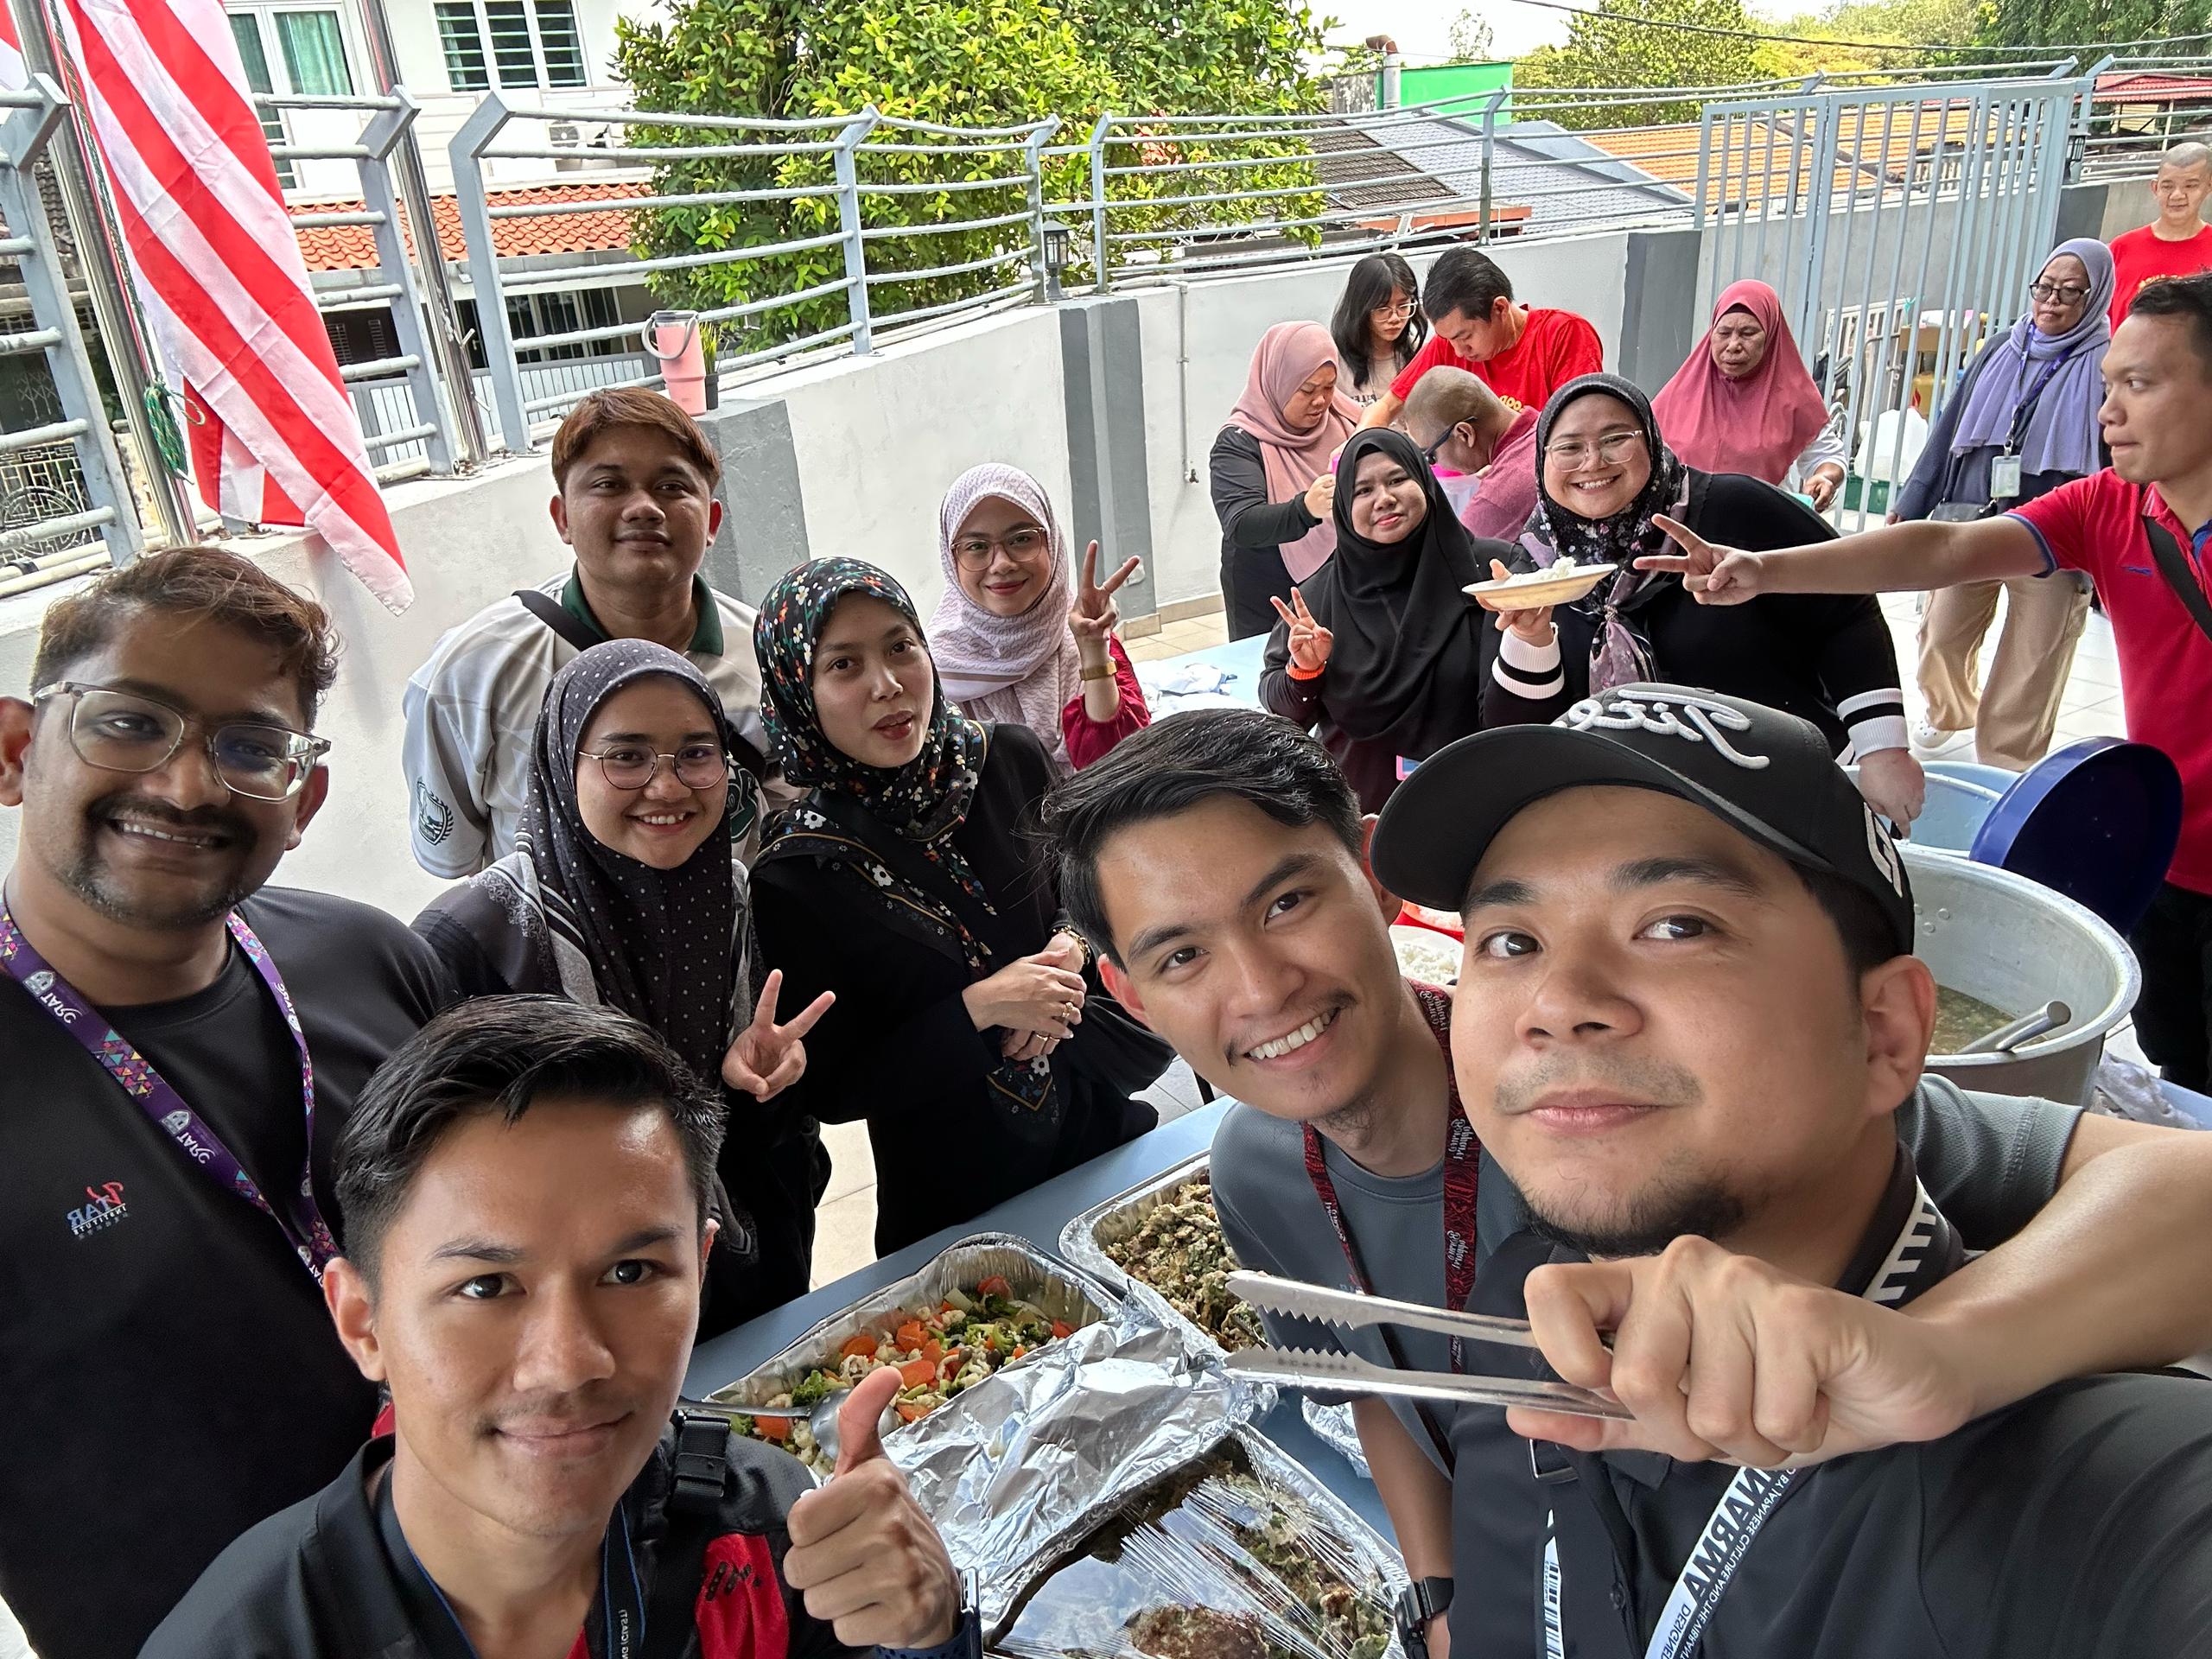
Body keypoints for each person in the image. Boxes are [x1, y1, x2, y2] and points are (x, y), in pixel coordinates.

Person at [1040, 704, 2212, 1659]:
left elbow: (2180, 1194)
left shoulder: (1628, 1128)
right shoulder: (1271, 1170)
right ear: (1132, 995)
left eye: (1677, 925)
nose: (1260, 988)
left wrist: (1941, 1359)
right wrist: (1441, 1590)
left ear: (1373, 882)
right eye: (1515, 943)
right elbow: (1373, 1388)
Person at [143, 995, 976, 1659]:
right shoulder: (248, 1640)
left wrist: (925, 1635)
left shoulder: (775, 1541)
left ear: (700, 1267)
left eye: (631, 1272)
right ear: (364, 1323)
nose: (569, 1362)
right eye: (486, 1286)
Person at [0, 547, 452, 1659]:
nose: (187, 785)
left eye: (250, 747)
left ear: (302, 801)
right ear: (16, 751)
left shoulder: (375, 963)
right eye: (129, 723)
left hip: (506, 1602)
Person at [1641, 274, 2212, 1091]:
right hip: (2166, 854)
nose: (2107, 412)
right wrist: (1765, 570)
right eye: (2108, 383)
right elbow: (1945, 549)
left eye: (2141, 384)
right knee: (2184, 1066)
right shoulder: (2111, 507)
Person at [412, 639, 830, 1338]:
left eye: (697, 754)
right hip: (574, 1317)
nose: (668, 787)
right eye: (626, 757)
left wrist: (758, 1086)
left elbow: (774, 1145)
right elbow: (437, 1180)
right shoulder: (478, 939)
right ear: (561, 763)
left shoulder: (729, 898)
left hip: (741, 1287)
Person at [747, 558, 1158, 1255]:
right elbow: (836, 1087)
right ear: (797, 692)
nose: (888, 684)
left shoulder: (1007, 761)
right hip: (954, 1204)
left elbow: (1083, 888)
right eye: (844, 665)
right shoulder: (797, 871)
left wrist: (1071, 947)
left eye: (900, 646)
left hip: (1099, 1139)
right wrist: (982, 1008)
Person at [1473, 373, 1925, 830]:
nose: (1593, 462)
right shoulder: (1535, 564)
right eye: (1569, 447)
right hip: (1640, 821)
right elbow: (1519, 735)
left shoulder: (1734, 510)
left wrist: (1882, 748)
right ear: (1542, 460)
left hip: (1787, 795)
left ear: (1651, 440)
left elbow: (1846, 609)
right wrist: (1531, 640)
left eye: (1615, 439)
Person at [404, 388, 769, 880]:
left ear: (712, 521)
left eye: (671, 486)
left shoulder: (768, 660)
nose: (644, 508)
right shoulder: (473, 670)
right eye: (609, 485)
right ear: (563, 519)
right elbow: (455, 859)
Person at [1895, 239, 2113, 768]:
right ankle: (1951, 713)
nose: (2052, 301)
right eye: (2044, 287)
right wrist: (1914, 498)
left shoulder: (2108, 363)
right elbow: (1949, 427)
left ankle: (2006, 760)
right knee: (1941, 634)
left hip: (2057, 535)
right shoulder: (2000, 349)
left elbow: (2116, 456)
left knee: (2034, 657)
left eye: (2070, 292)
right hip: (1974, 517)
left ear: (2097, 297)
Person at [1260, 429, 1501, 813]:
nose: (1384, 498)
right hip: (1368, 812)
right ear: (1343, 507)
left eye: (1397, 479)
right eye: (1363, 491)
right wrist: (1304, 671)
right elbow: (1283, 713)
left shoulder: (1489, 573)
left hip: (1480, 798)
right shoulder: (1317, 600)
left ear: (1425, 482)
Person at [928, 462, 1149, 778]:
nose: (1002, 564)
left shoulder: (1083, 630)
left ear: (1051, 542)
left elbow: (1123, 766)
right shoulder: (937, 667)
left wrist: (1093, 649)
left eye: (1021, 539)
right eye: (976, 546)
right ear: (951, 560)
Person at [1212, 321, 1361, 639]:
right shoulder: (1239, 442)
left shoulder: (1349, 421)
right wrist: (1306, 509)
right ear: (1278, 382)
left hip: (1344, 583)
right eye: (1307, 390)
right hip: (1267, 591)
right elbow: (1241, 522)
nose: (1321, 400)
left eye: (1329, 387)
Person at [1357, 247, 1603, 432]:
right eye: (1448, 339)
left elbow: (1576, 429)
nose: (1458, 351)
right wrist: (1357, 447)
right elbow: (1387, 406)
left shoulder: (1564, 334)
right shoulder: (1448, 345)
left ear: (1499, 308)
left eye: (1465, 336)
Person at [1651, 278, 1847, 510]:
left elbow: (1827, 456)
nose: (1733, 345)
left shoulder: (1793, 397)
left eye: (1748, 333)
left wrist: (1825, 478)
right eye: (1724, 332)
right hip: (1681, 523)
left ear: (1771, 336)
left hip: (1757, 522)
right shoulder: (1678, 394)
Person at [1400, 365, 1542, 542]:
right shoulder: (1547, 426)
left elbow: (1456, 553)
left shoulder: (1495, 501)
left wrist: (1500, 485)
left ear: (1464, 434)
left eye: (1432, 457)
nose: (1437, 465)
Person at [2106, 139, 2212, 330]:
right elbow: (2101, 318)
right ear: (2155, 188)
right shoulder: (2121, 248)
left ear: (2208, 186)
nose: (2177, 195)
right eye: (2167, 186)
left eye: (2190, 186)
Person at [1330, 251, 1427, 404]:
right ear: (1361, 308)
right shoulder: (1334, 361)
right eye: (1382, 308)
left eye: (1403, 306)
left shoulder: (1420, 354)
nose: (1395, 318)